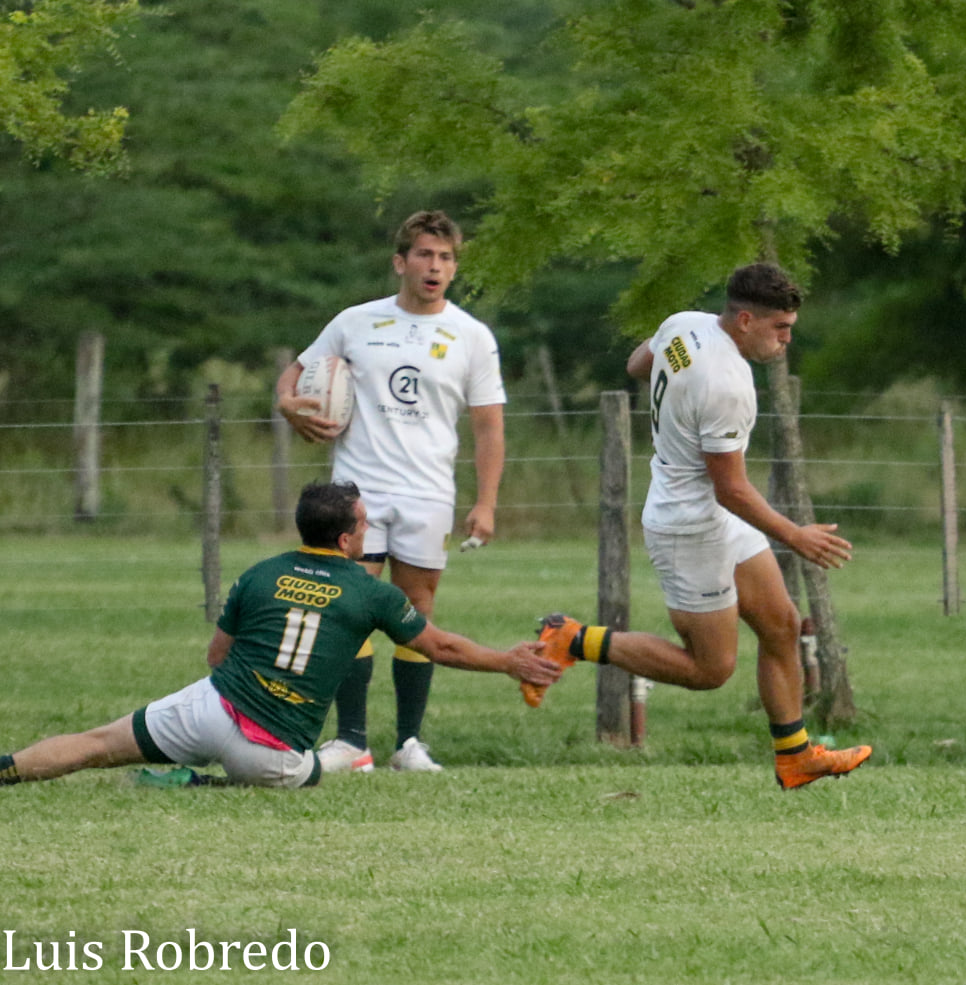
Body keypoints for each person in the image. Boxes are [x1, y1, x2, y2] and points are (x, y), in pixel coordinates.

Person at [530, 262, 871, 790]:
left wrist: (677, 399)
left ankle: (795, 756)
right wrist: (796, 536)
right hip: (689, 527)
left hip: (717, 516)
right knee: (710, 670)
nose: (786, 340)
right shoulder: (728, 385)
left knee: (781, 624)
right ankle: (572, 638)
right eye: (780, 328)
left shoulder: (684, 323)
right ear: (745, 320)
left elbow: (637, 364)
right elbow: (730, 487)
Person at [0, 482, 559, 789]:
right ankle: (196, 784)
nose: (368, 530)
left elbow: (217, 655)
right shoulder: (373, 593)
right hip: (270, 755)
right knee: (317, 771)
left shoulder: (261, 572)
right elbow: (439, 647)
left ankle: (9, 768)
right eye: (364, 524)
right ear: (346, 540)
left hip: (210, 709)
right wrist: (507, 661)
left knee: (98, 744)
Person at [273, 210, 506, 775]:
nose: (435, 266)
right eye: (424, 254)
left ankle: (409, 744)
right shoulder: (355, 322)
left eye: (445, 257)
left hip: (428, 491)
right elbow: (293, 375)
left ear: (454, 268)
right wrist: (288, 405)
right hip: (359, 490)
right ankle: (352, 742)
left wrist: (486, 502)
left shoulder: (472, 336)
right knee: (349, 606)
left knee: (415, 611)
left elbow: (488, 426)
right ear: (401, 262)